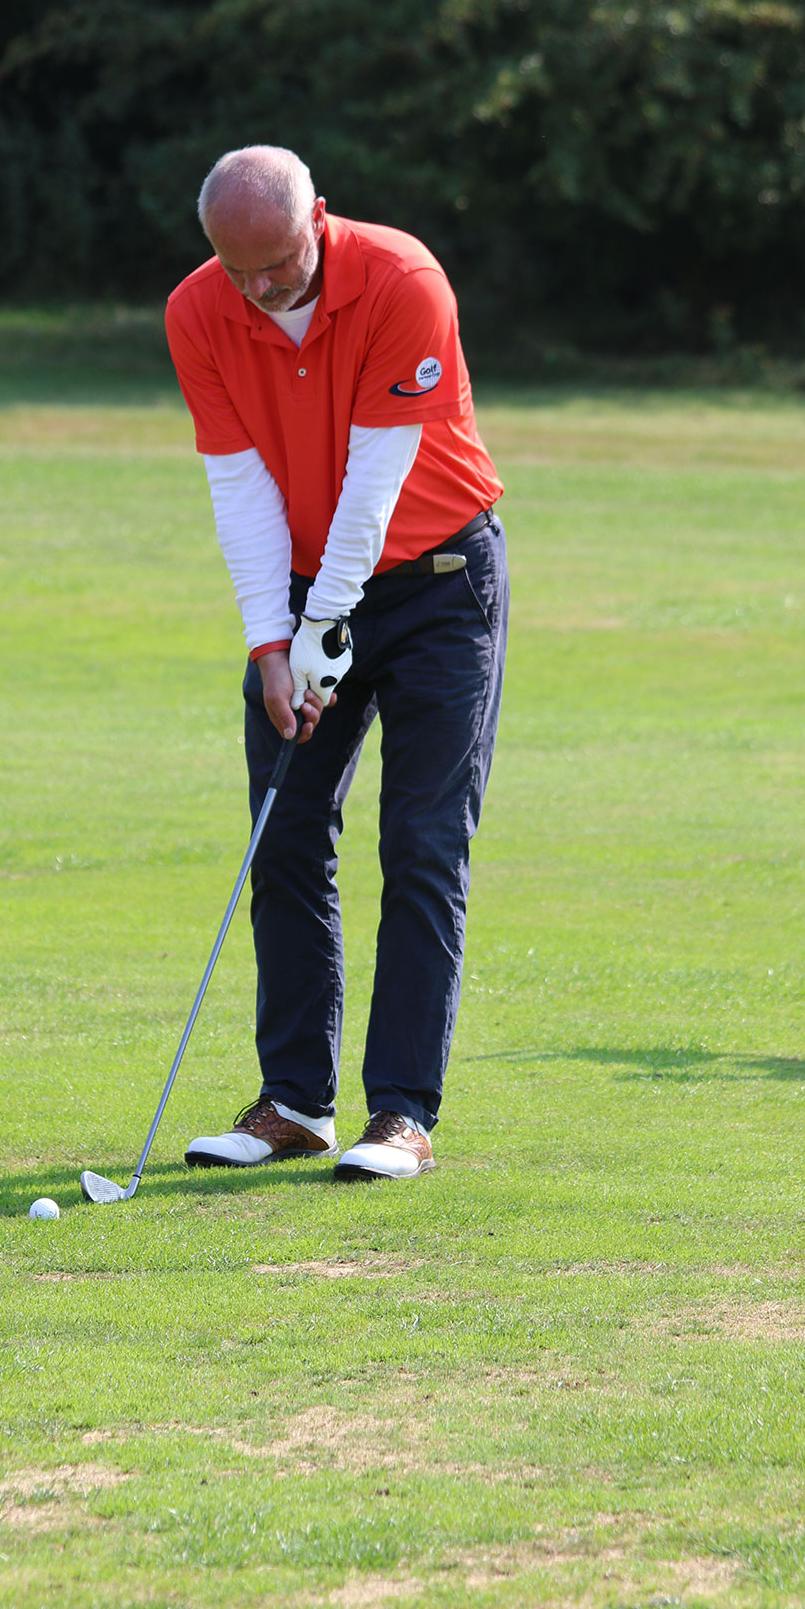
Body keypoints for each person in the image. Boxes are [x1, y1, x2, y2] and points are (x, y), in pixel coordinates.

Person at [164, 145, 508, 1181]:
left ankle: (400, 1114)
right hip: (308, 588)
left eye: (279, 265)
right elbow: (240, 487)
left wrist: (322, 627)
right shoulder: (199, 311)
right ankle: (295, 1104)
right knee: (284, 833)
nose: (262, 291)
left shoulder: (402, 281)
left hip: (439, 582)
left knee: (422, 841)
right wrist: (272, 644)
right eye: (239, 271)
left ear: (318, 217)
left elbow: (374, 483)